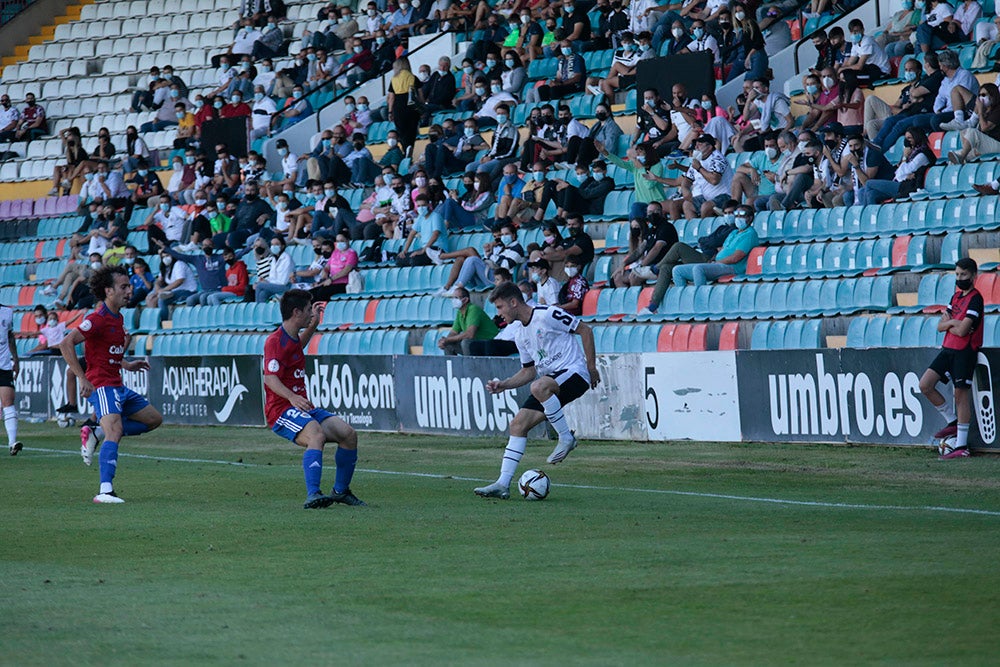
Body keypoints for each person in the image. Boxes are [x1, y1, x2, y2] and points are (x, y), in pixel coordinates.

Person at [473, 281, 600, 499]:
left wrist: (591, 367)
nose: (499, 313)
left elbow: (585, 330)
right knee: (518, 424)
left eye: (500, 307)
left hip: (575, 373)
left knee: (539, 387)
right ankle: (502, 484)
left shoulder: (547, 314)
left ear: (513, 302)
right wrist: (503, 384)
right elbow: (528, 372)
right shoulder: (520, 334)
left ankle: (565, 437)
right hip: (551, 383)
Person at [59, 266, 163, 502]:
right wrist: (82, 377)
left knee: (153, 420)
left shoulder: (118, 319)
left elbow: (107, 352)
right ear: (108, 291)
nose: (129, 291)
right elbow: (67, 344)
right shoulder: (97, 319)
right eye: (124, 287)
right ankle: (105, 490)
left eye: (129, 286)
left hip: (118, 384)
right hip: (102, 385)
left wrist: (126, 365)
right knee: (115, 431)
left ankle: (96, 431)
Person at [264, 290, 365, 508]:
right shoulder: (274, 341)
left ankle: (340, 491)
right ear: (296, 312)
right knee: (315, 435)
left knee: (348, 434)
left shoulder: (290, 339)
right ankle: (313, 494)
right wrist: (292, 397)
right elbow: (270, 379)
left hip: (302, 407)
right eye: (309, 310)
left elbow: (296, 347)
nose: (311, 313)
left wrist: (314, 325)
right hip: (280, 410)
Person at [919, 258, 983, 460]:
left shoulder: (976, 299)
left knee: (960, 395)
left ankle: (962, 446)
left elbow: (964, 331)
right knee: (925, 385)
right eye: (957, 274)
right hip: (948, 349)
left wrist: (951, 323)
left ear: (973, 276)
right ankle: (952, 421)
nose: (959, 278)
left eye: (963, 275)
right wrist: (954, 323)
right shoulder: (955, 297)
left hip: (965, 352)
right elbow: (939, 326)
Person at [437, 287, 501, 355]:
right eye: (452, 298)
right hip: (479, 344)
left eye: (456, 298)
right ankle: (452, 365)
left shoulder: (473, 309)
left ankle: (470, 365)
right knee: (448, 345)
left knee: (466, 342)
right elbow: (454, 332)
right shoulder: (460, 312)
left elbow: (469, 334)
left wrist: (448, 340)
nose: (453, 300)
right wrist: (445, 341)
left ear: (465, 300)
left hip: (491, 343)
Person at [0, 303, 20, 456]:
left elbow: (10, 336)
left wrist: (16, 359)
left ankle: (12, 442)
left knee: (8, 401)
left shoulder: (7, 312)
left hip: (3, 364)